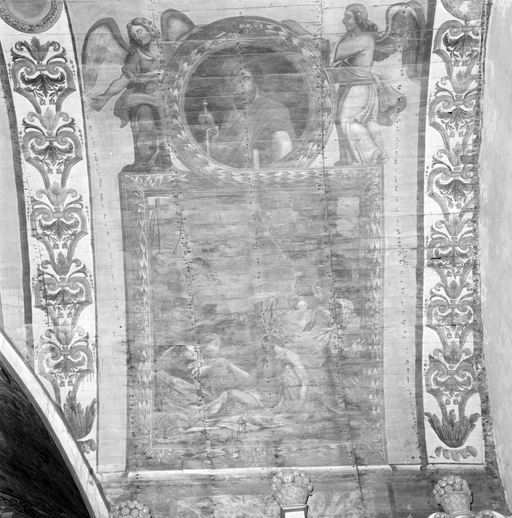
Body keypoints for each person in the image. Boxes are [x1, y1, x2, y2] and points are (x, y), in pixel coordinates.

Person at [90, 18, 169, 169]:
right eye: (133, 35)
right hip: (145, 98)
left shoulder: (167, 49)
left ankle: (165, 161)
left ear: (149, 29)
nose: (137, 36)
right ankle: (146, 161)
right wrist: (105, 96)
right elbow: (124, 79)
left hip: (167, 96)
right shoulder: (136, 56)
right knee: (142, 113)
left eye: (139, 31)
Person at [332, 4, 404, 166]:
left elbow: (333, 52)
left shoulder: (363, 39)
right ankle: (354, 160)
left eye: (348, 17)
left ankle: (372, 154)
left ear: (359, 19)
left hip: (358, 87)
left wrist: (302, 32)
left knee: (346, 122)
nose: (344, 21)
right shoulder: (353, 37)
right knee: (362, 122)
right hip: (352, 85)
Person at [197, 60, 295, 169]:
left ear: (256, 83)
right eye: (236, 80)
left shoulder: (271, 108)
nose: (240, 84)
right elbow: (224, 149)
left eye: (246, 78)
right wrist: (211, 126)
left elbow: (283, 142)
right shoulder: (231, 112)